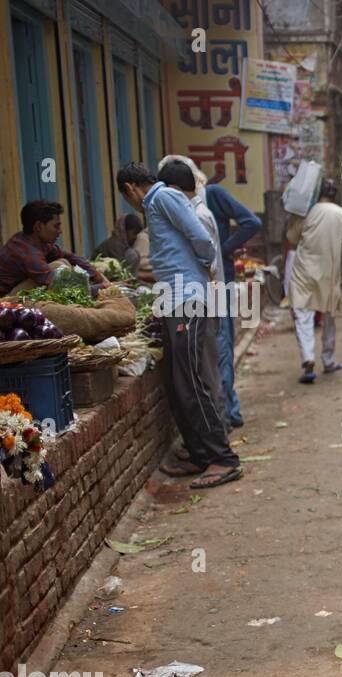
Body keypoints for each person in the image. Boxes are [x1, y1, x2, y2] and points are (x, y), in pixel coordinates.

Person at [116, 162, 241, 490]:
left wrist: (203, 269)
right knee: (178, 380)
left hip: (187, 299)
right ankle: (201, 453)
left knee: (193, 379)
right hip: (173, 300)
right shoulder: (158, 203)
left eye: (126, 197)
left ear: (130, 188)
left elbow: (201, 237)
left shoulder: (161, 197)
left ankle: (222, 458)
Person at [159, 154, 262, 428]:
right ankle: (228, 411)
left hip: (217, 280)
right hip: (204, 283)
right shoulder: (184, 206)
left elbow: (251, 222)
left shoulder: (210, 198)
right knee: (217, 347)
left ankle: (228, 412)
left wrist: (223, 251)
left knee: (222, 345)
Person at [287, 179, 342, 384]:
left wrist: (293, 217)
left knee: (303, 314)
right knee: (329, 316)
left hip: (303, 270)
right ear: (335, 195)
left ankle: (308, 358)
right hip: (329, 273)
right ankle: (328, 360)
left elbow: (293, 238)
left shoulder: (306, 213)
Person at [0, 200, 106, 297]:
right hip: (6, 300)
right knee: (59, 269)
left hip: (24, 286)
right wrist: (103, 287)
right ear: (38, 226)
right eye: (56, 226)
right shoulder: (28, 253)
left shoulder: (35, 241)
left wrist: (95, 274)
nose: (60, 231)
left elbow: (68, 256)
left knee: (62, 262)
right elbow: (63, 288)